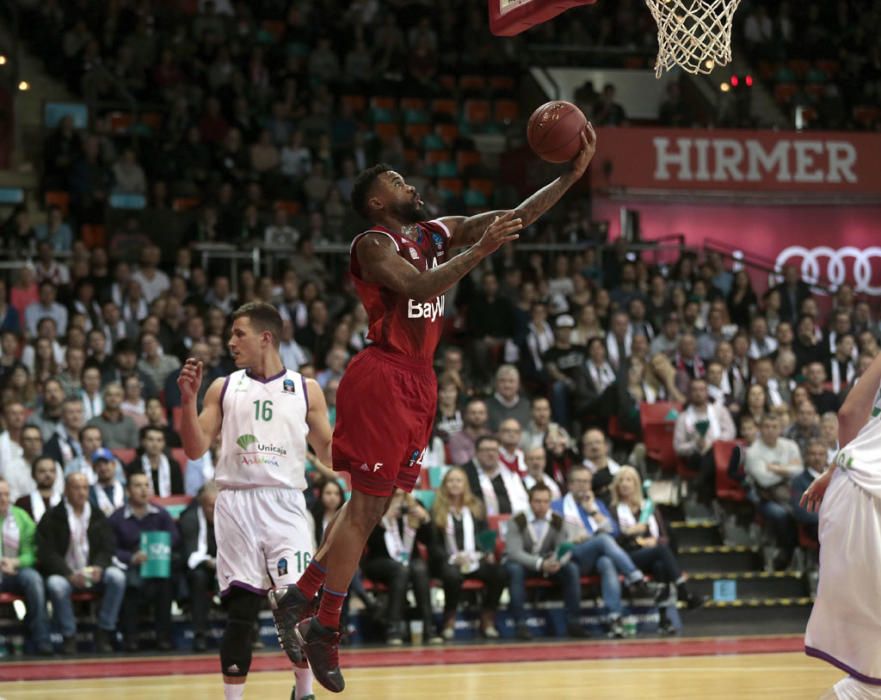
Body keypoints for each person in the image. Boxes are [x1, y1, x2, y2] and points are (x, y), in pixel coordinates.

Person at [276, 135, 597, 692]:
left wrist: (571, 176)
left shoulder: (433, 233)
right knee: (365, 509)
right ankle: (323, 623)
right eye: (397, 181)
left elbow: (515, 216)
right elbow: (422, 284)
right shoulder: (373, 243)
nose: (410, 185)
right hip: (384, 373)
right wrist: (481, 251)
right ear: (377, 202)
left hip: (420, 381)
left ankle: (302, 596)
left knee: (369, 510)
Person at [178, 302, 331, 700]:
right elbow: (195, 449)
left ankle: (303, 692)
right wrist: (187, 400)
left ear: (265, 337)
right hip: (237, 504)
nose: (231, 342)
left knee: (296, 606)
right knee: (241, 611)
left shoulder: (305, 388)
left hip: (286, 504)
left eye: (238, 334)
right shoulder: (223, 387)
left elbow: (330, 453)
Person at [802, 347, 881, 697]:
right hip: (868, 506)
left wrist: (836, 469)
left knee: (870, 674)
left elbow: (851, 416)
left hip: (846, 491)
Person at [552, 465, 655, 638]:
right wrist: (575, 539)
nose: (584, 486)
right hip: (571, 554)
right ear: (569, 485)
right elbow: (553, 539)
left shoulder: (597, 504)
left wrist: (592, 512)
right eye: (579, 482)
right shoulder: (558, 506)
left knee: (607, 562)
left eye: (587, 482)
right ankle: (636, 578)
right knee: (602, 540)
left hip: (594, 556)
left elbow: (614, 532)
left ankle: (614, 617)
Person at [38, 473, 125, 654]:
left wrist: (99, 567)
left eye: (85, 488)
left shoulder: (98, 515)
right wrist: (68, 573)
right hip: (66, 574)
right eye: (76, 488)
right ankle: (69, 636)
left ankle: (104, 630)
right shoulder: (52, 516)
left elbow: (108, 547)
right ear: (66, 490)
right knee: (55, 585)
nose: (81, 492)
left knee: (117, 577)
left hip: (93, 572)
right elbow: (47, 553)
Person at [428, 467, 507, 641]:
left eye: (459, 480)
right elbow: (433, 545)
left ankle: (487, 618)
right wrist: (453, 558)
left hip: (474, 559)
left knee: (500, 573)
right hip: (448, 560)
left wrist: (487, 552)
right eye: (450, 481)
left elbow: (486, 536)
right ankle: (449, 619)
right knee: (452, 575)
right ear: (444, 485)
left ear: (465, 485)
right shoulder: (436, 510)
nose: (455, 484)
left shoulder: (476, 507)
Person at [504, 483, 587, 640]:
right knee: (515, 570)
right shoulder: (517, 521)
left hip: (549, 563)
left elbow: (564, 548)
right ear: (529, 502)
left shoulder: (557, 520)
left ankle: (574, 622)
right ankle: (521, 624)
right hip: (525, 563)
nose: (541, 506)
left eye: (545, 501)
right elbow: (514, 552)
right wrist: (540, 564)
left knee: (571, 569)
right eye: (537, 501)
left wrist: (557, 562)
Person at [108, 472, 179, 652]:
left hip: (156, 566)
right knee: (130, 584)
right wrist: (131, 557)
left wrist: (158, 548)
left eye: (146, 485)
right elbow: (109, 549)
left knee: (166, 584)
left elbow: (174, 538)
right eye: (138, 485)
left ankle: (163, 637)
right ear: (128, 490)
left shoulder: (161, 514)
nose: (143, 490)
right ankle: (131, 638)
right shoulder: (117, 518)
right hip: (131, 566)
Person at [361, 489, 440, 645]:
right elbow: (368, 543)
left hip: (409, 559)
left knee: (420, 569)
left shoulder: (414, 505)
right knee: (401, 569)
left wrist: (425, 520)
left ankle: (429, 627)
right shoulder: (376, 506)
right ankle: (394, 628)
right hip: (379, 560)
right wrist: (385, 520)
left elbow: (429, 541)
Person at [0, 477, 52, 655]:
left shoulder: (21, 516)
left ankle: (41, 638)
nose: (3, 499)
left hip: (16, 570)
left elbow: (33, 551)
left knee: (34, 579)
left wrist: (16, 562)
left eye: (6, 494)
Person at [744, 414, 802, 570]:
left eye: (774, 427)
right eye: (766, 427)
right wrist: (788, 469)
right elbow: (764, 480)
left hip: (791, 494)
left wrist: (775, 468)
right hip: (765, 497)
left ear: (780, 429)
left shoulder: (790, 446)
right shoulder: (753, 452)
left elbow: (799, 471)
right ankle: (786, 551)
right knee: (781, 515)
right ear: (760, 429)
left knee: (807, 512)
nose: (770, 431)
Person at [180, 482, 219, 652]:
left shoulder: (231, 517)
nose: (215, 510)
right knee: (199, 578)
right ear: (202, 505)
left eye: (218, 506)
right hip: (199, 568)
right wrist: (210, 562)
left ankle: (249, 633)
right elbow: (190, 555)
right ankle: (199, 635)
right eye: (211, 506)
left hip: (226, 566)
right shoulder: (189, 518)